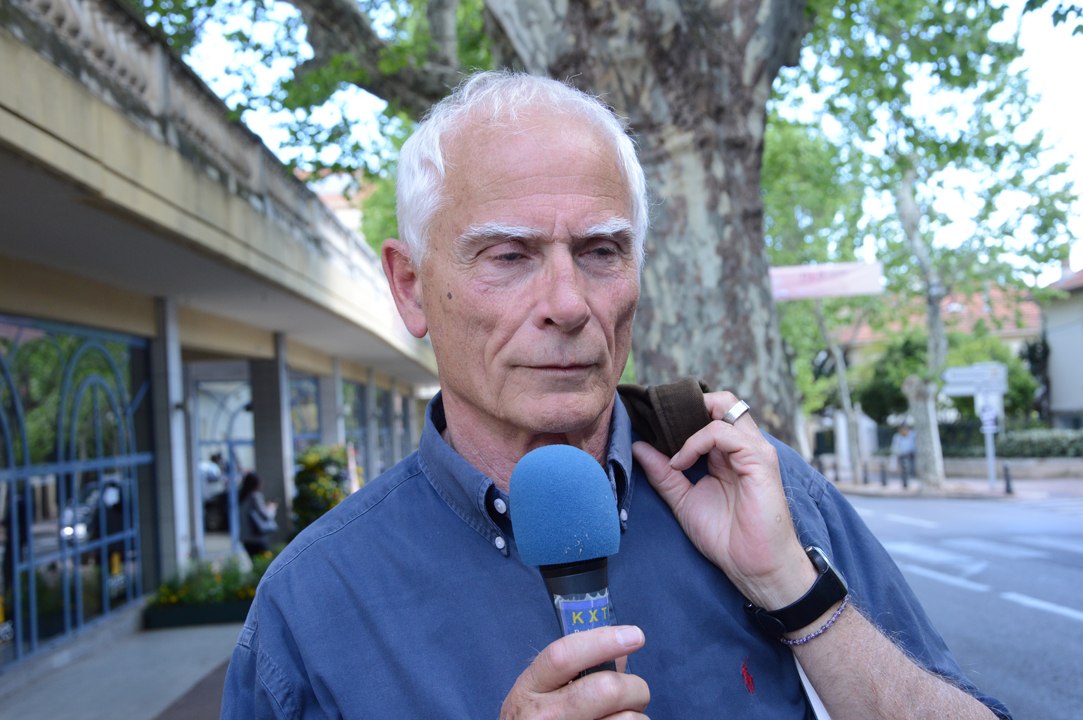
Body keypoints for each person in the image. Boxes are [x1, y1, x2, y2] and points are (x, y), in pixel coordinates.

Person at [221, 71, 1009, 719]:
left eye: (600, 251)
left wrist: (794, 597)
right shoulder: (314, 603)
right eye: (509, 255)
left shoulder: (757, 491)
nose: (567, 303)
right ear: (409, 285)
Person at [238, 472, 277, 560]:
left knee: (256, 563)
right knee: (266, 563)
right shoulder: (255, 496)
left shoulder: (242, 496)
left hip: (245, 538)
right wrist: (272, 508)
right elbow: (266, 515)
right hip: (256, 537)